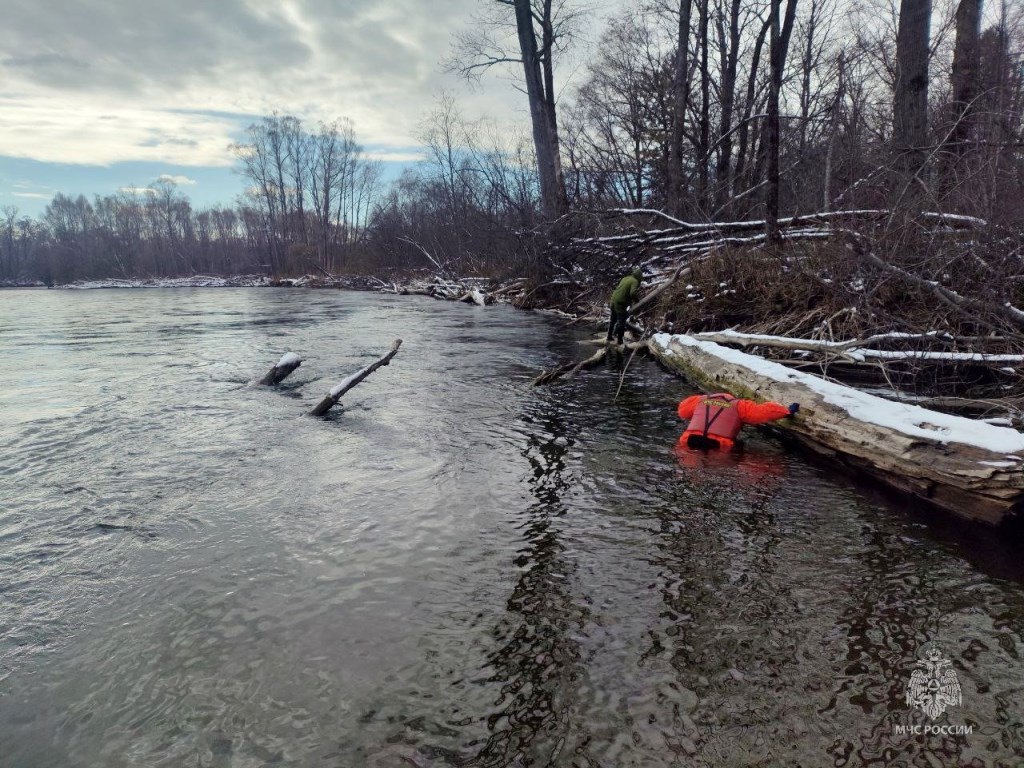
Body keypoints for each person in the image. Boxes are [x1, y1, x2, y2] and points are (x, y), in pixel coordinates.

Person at [677, 391, 799, 451]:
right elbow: (763, 412)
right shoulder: (740, 405)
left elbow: (682, 411)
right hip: (721, 445)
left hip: (688, 440)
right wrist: (787, 411)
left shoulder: (699, 400)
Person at [607, 268, 643, 346]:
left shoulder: (625, 278)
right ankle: (620, 342)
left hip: (613, 300)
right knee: (621, 323)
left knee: (613, 320)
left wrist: (630, 303)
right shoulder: (635, 281)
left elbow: (623, 291)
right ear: (639, 276)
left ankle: (609, 336)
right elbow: (632, 293)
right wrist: (638, 301)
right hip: (620, 303)